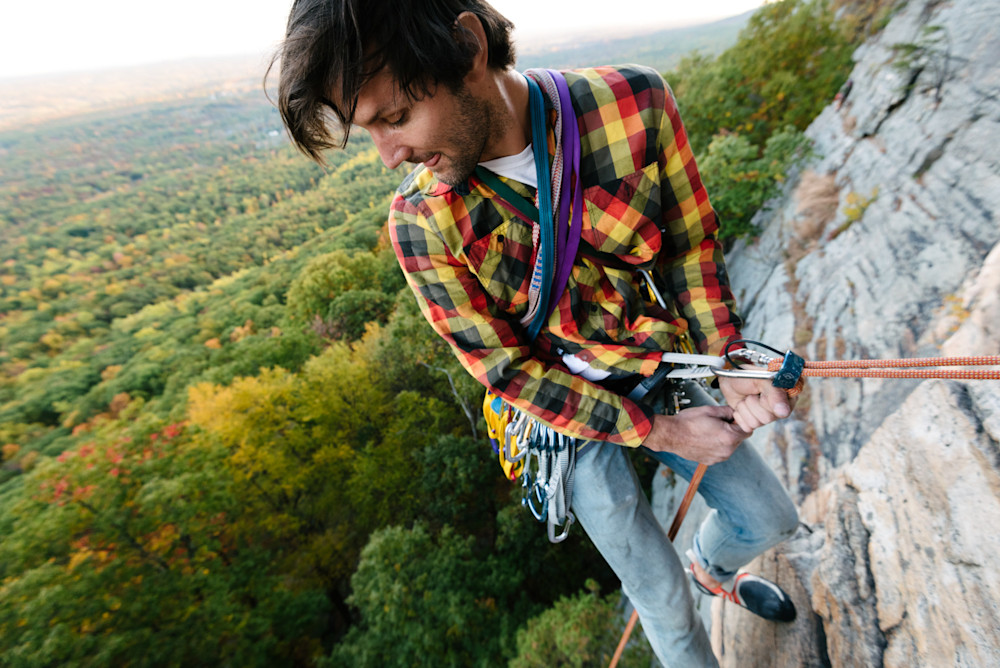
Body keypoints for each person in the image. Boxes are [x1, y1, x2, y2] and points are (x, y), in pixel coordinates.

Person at [273, 1, 800, 665]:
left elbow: (688, 243)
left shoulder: (635, 105)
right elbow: (509, 372)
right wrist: (659, 433)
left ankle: (713, 570)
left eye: (396, 118)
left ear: (467, 47)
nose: (389, 156)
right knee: (661, 602)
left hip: (647, 359)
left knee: (770, 518)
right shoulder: (422, 221)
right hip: (559, 420)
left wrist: (729, 361)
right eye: (368, 131)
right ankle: (687, 591)